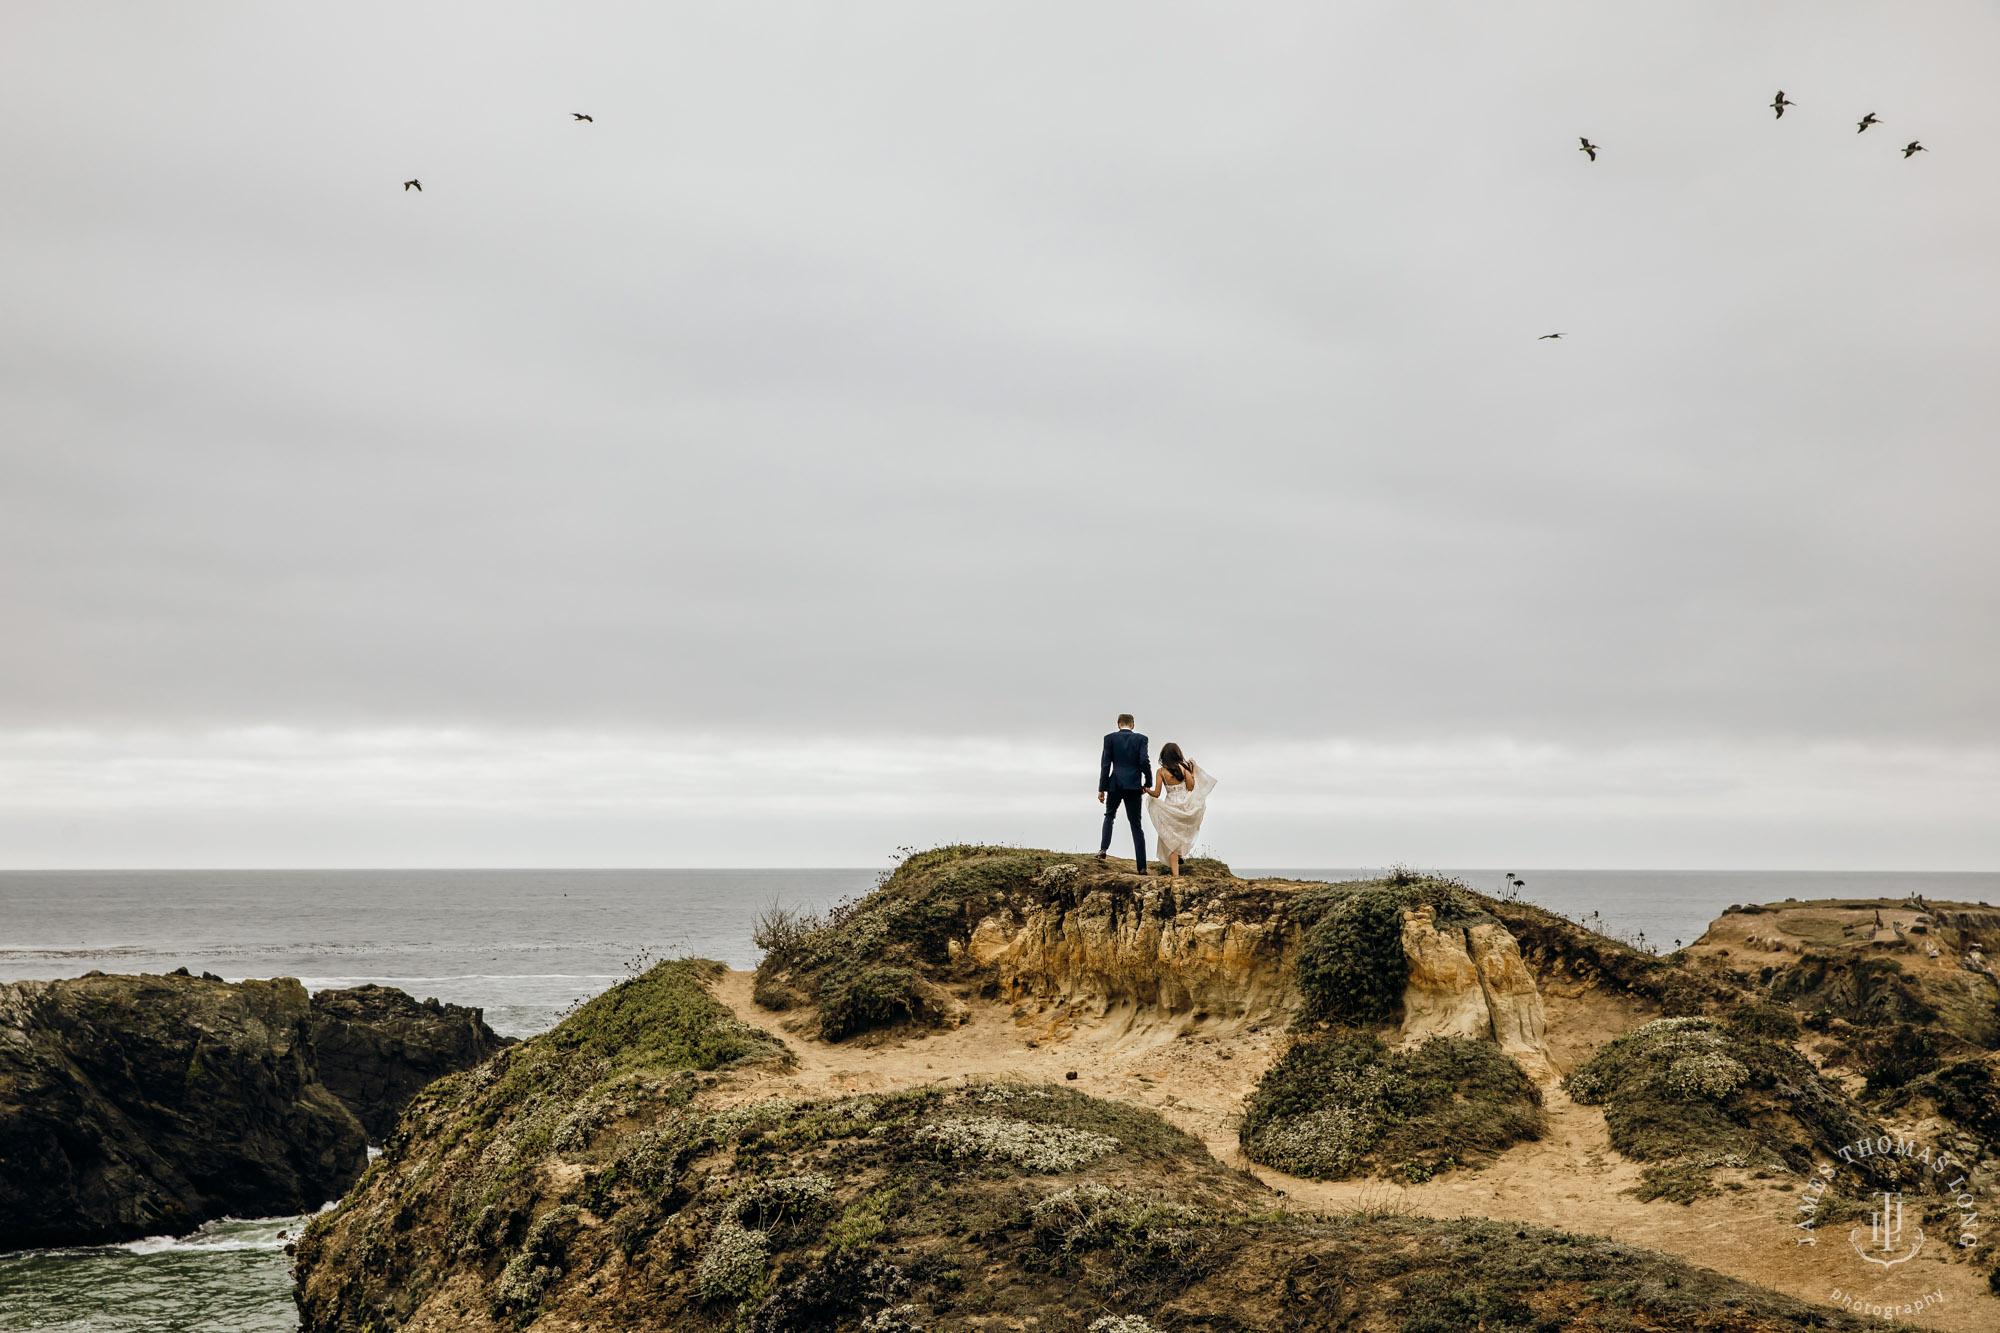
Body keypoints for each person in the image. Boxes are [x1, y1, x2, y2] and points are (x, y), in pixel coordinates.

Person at [1146, 742, 1216, 877]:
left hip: (1170, 807)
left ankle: (1176, 874)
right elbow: (1190, 787)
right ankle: (1179, 857)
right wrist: (1191, 773)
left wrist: (1147, 790)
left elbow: (1157, 794)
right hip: (1185, 805)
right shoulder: (1184, 769)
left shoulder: (1160, 772)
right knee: (1182, 835)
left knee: (1171, 839)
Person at [1096, 713, 1151, 873]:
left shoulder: (1109, 739)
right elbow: (1144, 761)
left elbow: (1105, 765)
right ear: (1132, 725)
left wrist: (1102, 788)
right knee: (1136, 825)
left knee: (1109, 816)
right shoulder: (1141, 739)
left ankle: (1103, 849)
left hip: (1115, 783)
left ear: (1118, 724)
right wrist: (1147, 783)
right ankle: (1142, 867)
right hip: (1134, 785)